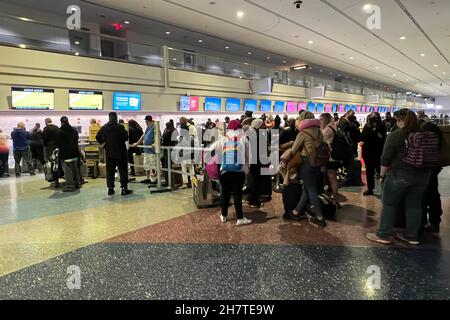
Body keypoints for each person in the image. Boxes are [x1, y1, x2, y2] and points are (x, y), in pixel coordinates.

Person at [367, 109, 432, 245]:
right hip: (423, 176)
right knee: (414, 206)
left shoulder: (396, 135)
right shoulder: (425, 135)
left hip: (399, 175)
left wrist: (381, 175)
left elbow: (385, 159)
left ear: (398, 120)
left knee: (389, 204)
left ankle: (383, 234)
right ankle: (412, 236)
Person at [290, 111, 327, 227]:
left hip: (307, 162)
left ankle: (320, 217)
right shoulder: (319, 131)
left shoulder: (303, 132)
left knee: (311, 189)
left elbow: (294, 149)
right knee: (307, 188)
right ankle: (296, 211)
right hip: (318, 162)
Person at [217, 120, 252, 226]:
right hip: (238, 170)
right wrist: (246, 168)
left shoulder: (223, 138)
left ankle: (223, 215)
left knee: (225, 193)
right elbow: (249, 156)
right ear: (239, 128)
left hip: (225, 170)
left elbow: (218, 154)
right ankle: (240, 218)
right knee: (237, 194)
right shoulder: (244, 138)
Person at [96, 112, 133, 196]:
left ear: (109, 118)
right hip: (121, 153)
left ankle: (110, 189)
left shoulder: (104, 127)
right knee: (123, 171)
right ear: (116, 118)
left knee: (110, 172)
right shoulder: (120, 127)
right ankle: (124, 188)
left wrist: (104, 144)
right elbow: (126, 137)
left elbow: (97, 137)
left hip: (109, 153)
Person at [421, 121, 444, 234]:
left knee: (424, 195)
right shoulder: (439, 138)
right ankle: (435, 222)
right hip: (435, 167)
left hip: (425, 168)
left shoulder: (425, 138)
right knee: (434, 193)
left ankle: (423, 221)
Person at [320, 113, 343, 207]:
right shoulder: (333, 127)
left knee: (331, 178)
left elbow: (319, 140)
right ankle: (333, 198)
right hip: (331, 157)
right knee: (331, 178)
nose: (320, 121)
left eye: (321, 119)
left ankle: (334, 199)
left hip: (329, 158)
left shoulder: (327, 129)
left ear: (326, 120)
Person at [361, 113, 387, 196]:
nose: (373, 119)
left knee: (381, 172)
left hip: (378, 152)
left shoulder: (382, 126)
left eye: (375, 117)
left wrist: (375, 131)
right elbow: (363, 137)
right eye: (372, 117)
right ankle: (370, 189)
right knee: (369, 172)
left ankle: (384, 190)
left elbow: (382, 138)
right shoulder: (366, 126)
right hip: (367, 152)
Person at [56, 117, 80, 192]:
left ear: (61, 122)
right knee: (75, 169)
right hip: (75, 153)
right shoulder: (74, 130)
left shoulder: (60, 131)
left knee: (68, 170)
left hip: (65, 154)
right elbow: (77, 139)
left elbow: (57, 143)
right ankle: (77, 184)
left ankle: (70, 186)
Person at [132, 115, 158, 185]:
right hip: (146, 150)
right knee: (146, 165)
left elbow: (158, 136)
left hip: (152, 151)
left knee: (153, 164)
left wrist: (155, 143)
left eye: (146, 121)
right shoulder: (148, 128)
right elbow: (143, 136)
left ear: (147, 121)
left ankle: (154, 179)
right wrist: (137, 143)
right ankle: (148, 178)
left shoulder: (154, 127)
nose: (145, 122)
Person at [245, 118, 265, 209]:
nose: (264, 126)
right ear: (258, 126)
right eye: (262, 125)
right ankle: (254, 201)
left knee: (252, 180)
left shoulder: (249, 134)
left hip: (251, 161)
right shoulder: (259, 136)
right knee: (256, 181)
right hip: (257, 161)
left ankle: (251, 198)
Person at [179, 116, 198, 189]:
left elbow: (191, 139)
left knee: (188, 166)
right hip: (187, 150)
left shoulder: (191, 127)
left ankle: (189, 182)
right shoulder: (185, 127)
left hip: (189, 150)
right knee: (188, 166)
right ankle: (189, 182)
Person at [161, 120, 179, 186]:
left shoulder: (169, 131)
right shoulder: (173, 130)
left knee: (167, 166)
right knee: (167, 166)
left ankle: (169, 182)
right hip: (170, 150)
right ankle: (168, 181)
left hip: (168, 150)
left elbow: (165, 140)